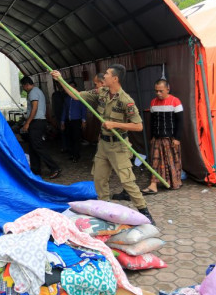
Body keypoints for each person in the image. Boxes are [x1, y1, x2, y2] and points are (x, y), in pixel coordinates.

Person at [51, 65, 155, 224]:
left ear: (115, 78)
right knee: (99, 179)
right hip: (103, 146)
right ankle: (106, 211)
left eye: (107, 74)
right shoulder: (102, 92)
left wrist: (115, 124)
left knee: (127, 181)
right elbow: (76, 96)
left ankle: (145, 212)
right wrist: (60, 79)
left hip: (119, 146)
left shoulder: (125, 100)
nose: (103, 76)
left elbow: (138, 126)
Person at [141, 79, 184, 194]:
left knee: (171, 162)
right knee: (155, 162)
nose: (158, 93)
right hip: (157, 138)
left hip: (170, 139)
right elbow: (152, 122)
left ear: (167, 89)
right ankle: (153, 185)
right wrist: (151, 137)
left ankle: (172, 182)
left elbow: (180, 122)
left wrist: (177, 139)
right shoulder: (153, 102)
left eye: (161, 91)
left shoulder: (175, 101)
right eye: (156, 91)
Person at [20, 76, 62, 179]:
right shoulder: (37, 91)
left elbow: (35, 108)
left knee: (38, 146)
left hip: (36, 122)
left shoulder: (33, 92)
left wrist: (27, 123)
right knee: (32, 147)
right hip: (38, 122)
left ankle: (54, 168)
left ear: (26, 84)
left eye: (23, 86)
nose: (23, 88)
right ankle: (35, 170)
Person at [60, 80, 86, 162]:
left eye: (72, 87)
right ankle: (71, 154)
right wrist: (62, 122)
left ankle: (76, 156)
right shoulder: (67, 99)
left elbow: (83, 109)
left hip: (77, 121)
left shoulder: (80, 98)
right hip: (69, 121)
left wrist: (83, 121)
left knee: (76, 139)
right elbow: (64, 110)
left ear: (75, 88)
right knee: (69, 138)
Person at [51, 83, 68, 152]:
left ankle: (67, 146)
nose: (59, 86)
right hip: (59, 115)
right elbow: (53, 105)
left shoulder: (67, 94)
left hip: (67, 116)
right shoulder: (55, 95)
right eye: (58, 85)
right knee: (62, 131)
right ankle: (65, 146)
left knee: (67, 131)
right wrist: (53, 114)